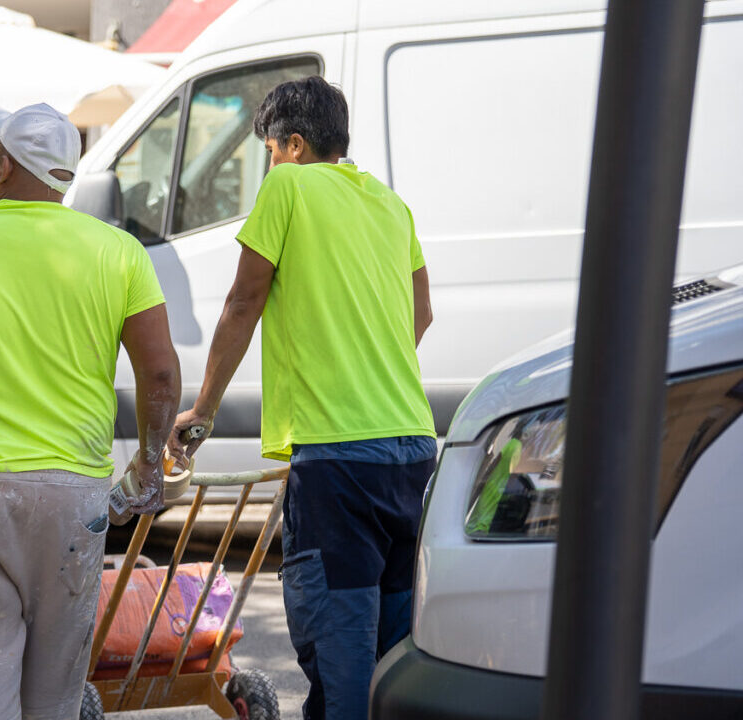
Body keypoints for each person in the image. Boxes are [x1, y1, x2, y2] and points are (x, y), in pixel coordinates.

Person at [0, 102, 180, 720]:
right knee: (54, 698)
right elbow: (158, 371)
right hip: (72, 498)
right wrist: (150, 467)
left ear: (6, 166)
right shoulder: (118, 252)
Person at [166, 76, 436, 720]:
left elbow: (243, 301)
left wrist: (202, 410)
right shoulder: (391, 205)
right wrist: (370, 368)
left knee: (340, 657)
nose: (268, 162)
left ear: (291, 144)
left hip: (338, 460)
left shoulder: (286, 185)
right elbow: (421, 313)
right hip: (411, 447)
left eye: (267, 148)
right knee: (392, 657)